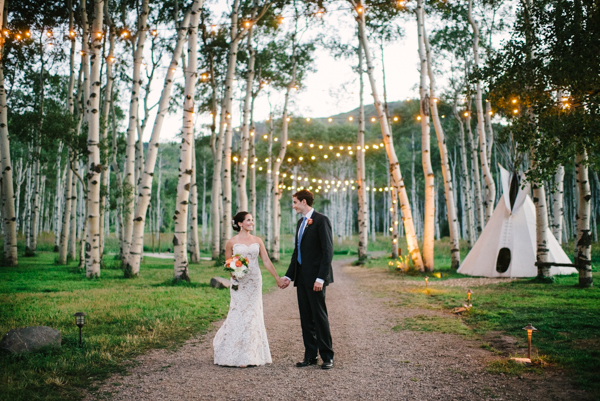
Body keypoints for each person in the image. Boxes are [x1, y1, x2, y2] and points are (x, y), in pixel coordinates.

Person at [213, 211, 285, 367]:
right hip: (239, 282)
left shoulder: (257, 240)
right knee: (238, 312)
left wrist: (277, 278)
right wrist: (234, 272)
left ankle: (249, 355)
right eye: (248, 220)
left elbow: (265, 260)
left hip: (254, 281)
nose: (252, 222)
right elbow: (228, 263)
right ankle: (233, 351)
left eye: (252, 220)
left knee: (253, 314)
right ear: (240, 223)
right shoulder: (232, 242)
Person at [280, 189, 335, 369]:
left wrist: (321, 278)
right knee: (305, 318)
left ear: (304, 202)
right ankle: (311, 356)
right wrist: (289, 275)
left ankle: (327, 357)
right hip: (302, 278)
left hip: (316, 279)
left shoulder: (321, 220)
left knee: (319, 317)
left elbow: (328, 252)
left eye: (295, 202)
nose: (293, 205)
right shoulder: (300, 223)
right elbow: (298, 252)